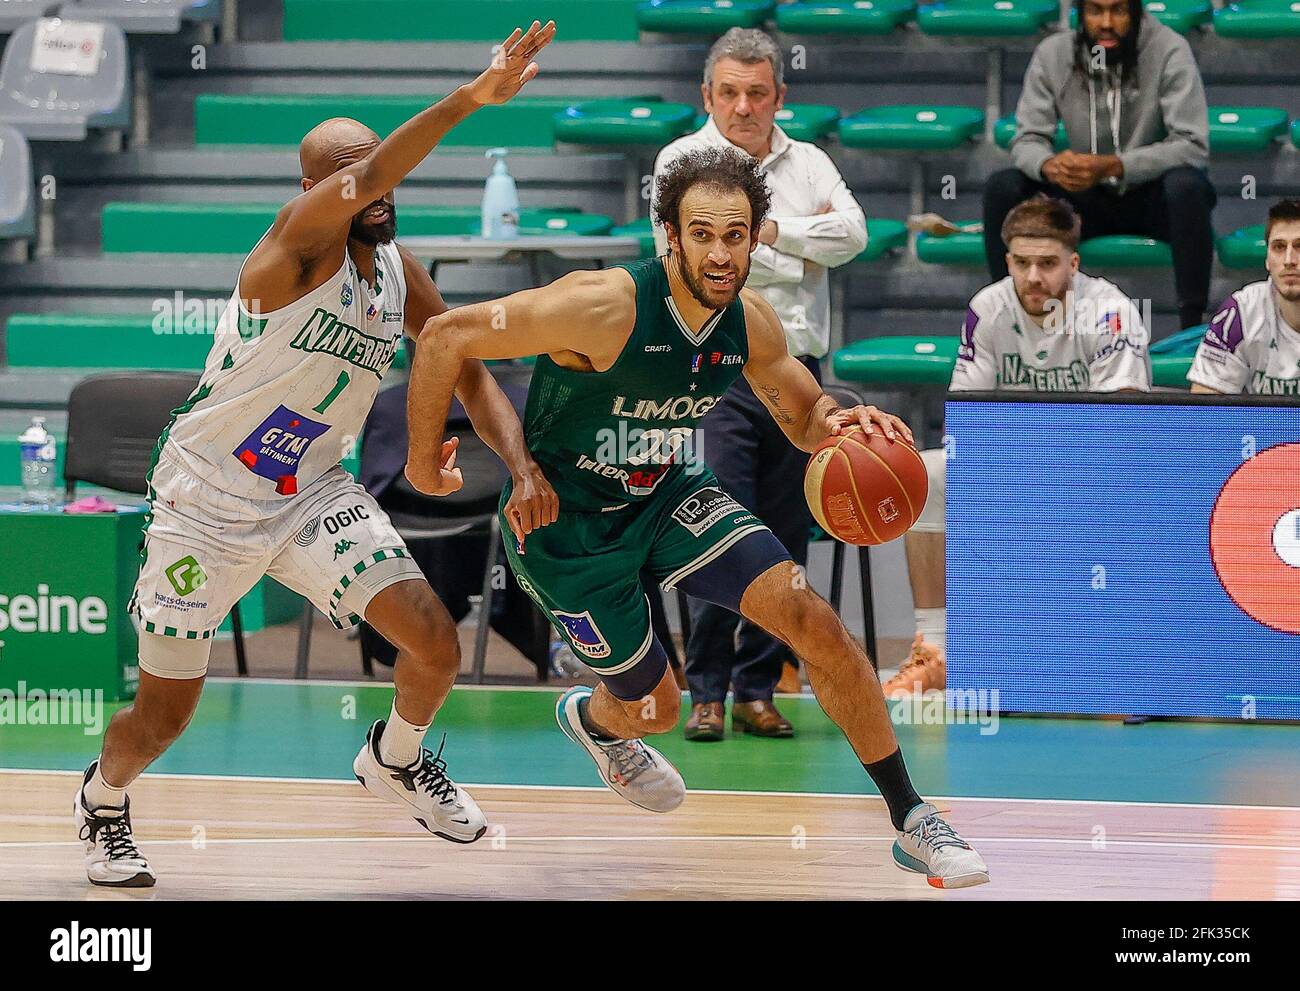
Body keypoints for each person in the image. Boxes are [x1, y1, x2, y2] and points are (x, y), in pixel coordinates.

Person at [406, 146, 991, 888]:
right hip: (566, 526)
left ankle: (912, 817)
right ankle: (597, 722)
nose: (721, 253)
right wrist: (428, 463)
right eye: (703, 235)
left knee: (809, 615)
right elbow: (444, 336)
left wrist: (846, 426)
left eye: (736, 235)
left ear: (756, 236)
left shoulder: (749, 322)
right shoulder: (601, 304)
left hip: (665, 493)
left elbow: (806, 413)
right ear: (671, 237)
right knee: (656, 710)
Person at [73, 22, 559, 888]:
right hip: (205, 500)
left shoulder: (395, 274)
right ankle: (103, 801)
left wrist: (519, 464)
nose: (369, 184)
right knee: (162, 716)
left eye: (368, 165)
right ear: (312, 190)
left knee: (435, 643)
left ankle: (395, 757)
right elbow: (368, 178)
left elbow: (465, 368)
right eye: (347, 172)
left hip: (310, 493)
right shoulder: (291, 249)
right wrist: (471, 96)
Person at [651, 27, 867, 740]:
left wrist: (765, 236)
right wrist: (800, 248)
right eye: (730, 92)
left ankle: (757, 686)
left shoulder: (808, 161)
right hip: (713, 373)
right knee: (715, 526)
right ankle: (706, 689)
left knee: (784, 533)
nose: (744, 105)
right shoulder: (680, 160)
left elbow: (856, 235)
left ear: (780, 95)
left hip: (798, 371)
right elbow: (681, 266)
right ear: (706, 95)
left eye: (758, 92)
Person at [889, 194, 1151, 696]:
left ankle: (1114, 655)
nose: (1034, 277)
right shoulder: (988, 308)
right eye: (1022, 263)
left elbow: (1119, 430)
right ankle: (935, 649)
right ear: (1007, 259)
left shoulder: (1111, 313)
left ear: (1073, 263)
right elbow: (967, 418)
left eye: (1048, 264)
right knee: (926, 474)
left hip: (1096, 472)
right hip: (1015, 461)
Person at [983, 0, 1215, 329]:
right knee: (1004, 186)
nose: (1106, 22)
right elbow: (1026, 139)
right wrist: (1049, 165)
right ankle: (1007, 319)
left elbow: (1193, 146)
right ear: (1080, 13)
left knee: (1187, 186)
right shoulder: (1053, 53)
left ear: (1136, 12)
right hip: (1080, 201)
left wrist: (1115, 165)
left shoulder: (1170, 49)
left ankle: (1192, 327)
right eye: (1095, 10)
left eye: (1118, 10)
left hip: (1148, 198)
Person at [1188, 199, 1300, 396]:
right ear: (1267, 260)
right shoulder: (1242, 312)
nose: (1289, 260)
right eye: (1279, 247)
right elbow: (1204, 413)